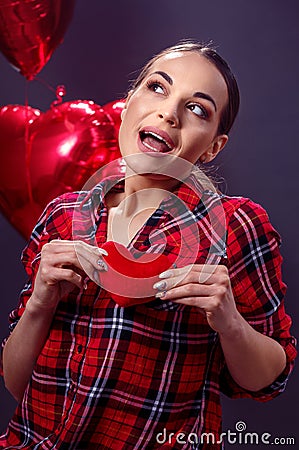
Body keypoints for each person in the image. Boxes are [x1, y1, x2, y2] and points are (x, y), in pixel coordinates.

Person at [0, 41, 297, 449]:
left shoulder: (235, 225)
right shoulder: (65, 216)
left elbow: (270, 379)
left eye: (197, 109)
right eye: (158, 88)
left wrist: (230, 322)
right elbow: (20, 388)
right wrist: (39, 303)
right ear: (127, 104)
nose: (169, 113)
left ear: (213, 146)